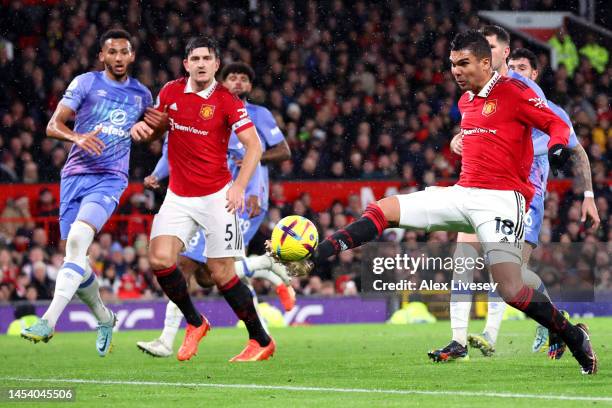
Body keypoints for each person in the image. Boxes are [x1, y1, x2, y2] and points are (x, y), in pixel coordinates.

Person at [287, 30, 597, 375]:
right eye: (452, 64)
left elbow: (557, 125)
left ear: (485, 62)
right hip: (464, 192)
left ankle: (571, 335)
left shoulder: (515, 92)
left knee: (509, 288)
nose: (456, 71)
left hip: (503, 201)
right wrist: (456, 142)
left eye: (463, 63)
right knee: (385, 208)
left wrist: (555, 147)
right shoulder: (465, 102)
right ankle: (318, 254)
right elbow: (483, 136)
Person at [435, 27, 600, 361]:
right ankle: (460, 340)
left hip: (521, 196)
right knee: (463, 257)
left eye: (492, 47)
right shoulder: (479, 94)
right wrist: (459, 140)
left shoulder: (526, 93)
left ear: (503, 53)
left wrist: (588, 196)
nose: (486, 53)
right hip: (482, 190)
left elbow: (572, 145)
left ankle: (555, 322)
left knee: (511, 278)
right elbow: (479, 131)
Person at [136, 62, 294, 358]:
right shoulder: (199, 107)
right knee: (211, 275)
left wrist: (252, 191)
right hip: (196, 197)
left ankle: (170, 338)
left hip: (238, 200)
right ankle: (266, 281)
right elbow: (174, 146)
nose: (236, 82)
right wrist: (158, 173)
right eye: (232, 78)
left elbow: (261, 152)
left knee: (203, 269)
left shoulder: (255, 114)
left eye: (243, 78)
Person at [21, 29, 152, 357]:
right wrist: (76, 138)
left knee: (78, 241)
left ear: (132, 56)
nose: (118, 58)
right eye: (112, 52)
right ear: (102, 56)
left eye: (124, 52)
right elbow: (53, 126)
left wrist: (145, 132)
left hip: (110, 178)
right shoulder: (85, 83)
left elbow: (153, 131)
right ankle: (105, 317)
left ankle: (48, 321)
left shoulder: (142, 95)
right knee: (75, 258)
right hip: (74, 176)